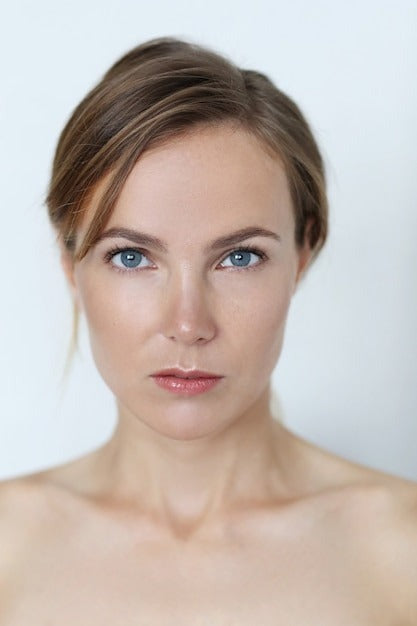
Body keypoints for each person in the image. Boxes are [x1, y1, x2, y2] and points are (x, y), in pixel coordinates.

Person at [0, 36, 416, 624]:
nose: (188, 324)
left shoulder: (401, 552)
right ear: (70, 263)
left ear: (303, 254)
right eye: (131, 257)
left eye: (239, 258)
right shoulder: (9, 549)